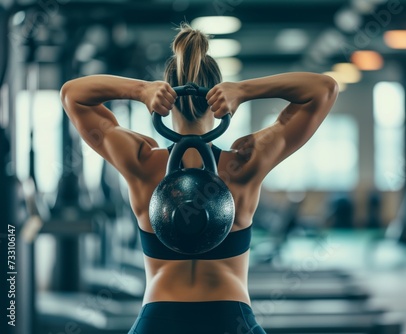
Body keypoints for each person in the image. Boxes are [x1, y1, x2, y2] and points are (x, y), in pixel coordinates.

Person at [60, 23, 338, 334]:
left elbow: (73, 94)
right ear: (218, 98)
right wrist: (244, 91)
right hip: (230, 318)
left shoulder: (141, 162)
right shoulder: (244, 163)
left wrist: (141, 90)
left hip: (159, 319)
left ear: (166, 101)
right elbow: (323, 89)